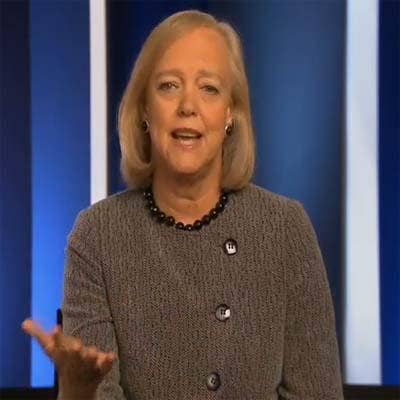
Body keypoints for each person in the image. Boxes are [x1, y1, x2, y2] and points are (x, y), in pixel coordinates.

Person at [22, 9, 344, 400]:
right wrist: (76, 390)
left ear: (230, 114)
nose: (188, 105)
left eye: (209, 88)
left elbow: (317, 393)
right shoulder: (97, 236)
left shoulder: (284, 228)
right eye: (169, 86)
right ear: (144, 109)